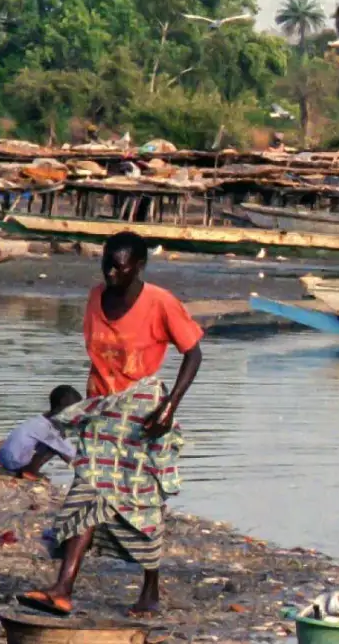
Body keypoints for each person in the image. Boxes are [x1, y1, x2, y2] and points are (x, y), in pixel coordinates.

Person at [21, 233, 204, 616]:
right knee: (88, 490)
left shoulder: (160, 303)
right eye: (107, 263)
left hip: (142, 417)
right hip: (101, 413)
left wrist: (170, 406)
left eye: (120, 266)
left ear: (138, 266)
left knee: (140, 503)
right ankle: (63, 586)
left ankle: (150, 589)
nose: (111, 272)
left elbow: (193, 353)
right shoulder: (95, 298)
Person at [0, 386, 82, 477]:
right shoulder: (48, 428)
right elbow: (70, 455)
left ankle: (29, 469)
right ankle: (29, 472)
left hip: (3, 456)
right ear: (64, 402)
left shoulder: (40, 420)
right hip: (12, 461)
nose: (76, 413)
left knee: (51, 443)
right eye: (75, 408)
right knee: (53, 446)